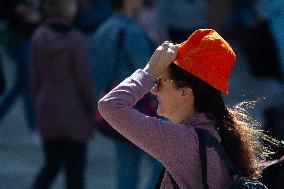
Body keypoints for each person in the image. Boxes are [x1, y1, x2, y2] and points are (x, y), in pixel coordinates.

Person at [98, 29, 276, 188]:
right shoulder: (218, 129)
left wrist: (148, 72)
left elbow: (110, 106)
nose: (153, 89)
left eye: (159, 81)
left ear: (185, 93)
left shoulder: (182, 140)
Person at [89, 0, 162, 188]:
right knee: (163, 167)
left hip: (116, 111)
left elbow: (94, 73)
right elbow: (149, 73)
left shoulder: (102, 29)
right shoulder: (132, 32)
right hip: (141, 109)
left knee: (126, 168)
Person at [30, 0, 95, 188]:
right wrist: (92, 108)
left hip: (47, 107)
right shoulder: (75, 39)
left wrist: (37, 104)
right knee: (75, 171)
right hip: (73, 111)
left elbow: (34, 79)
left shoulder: (38, 36)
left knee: (51, 165)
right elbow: (83, 80)